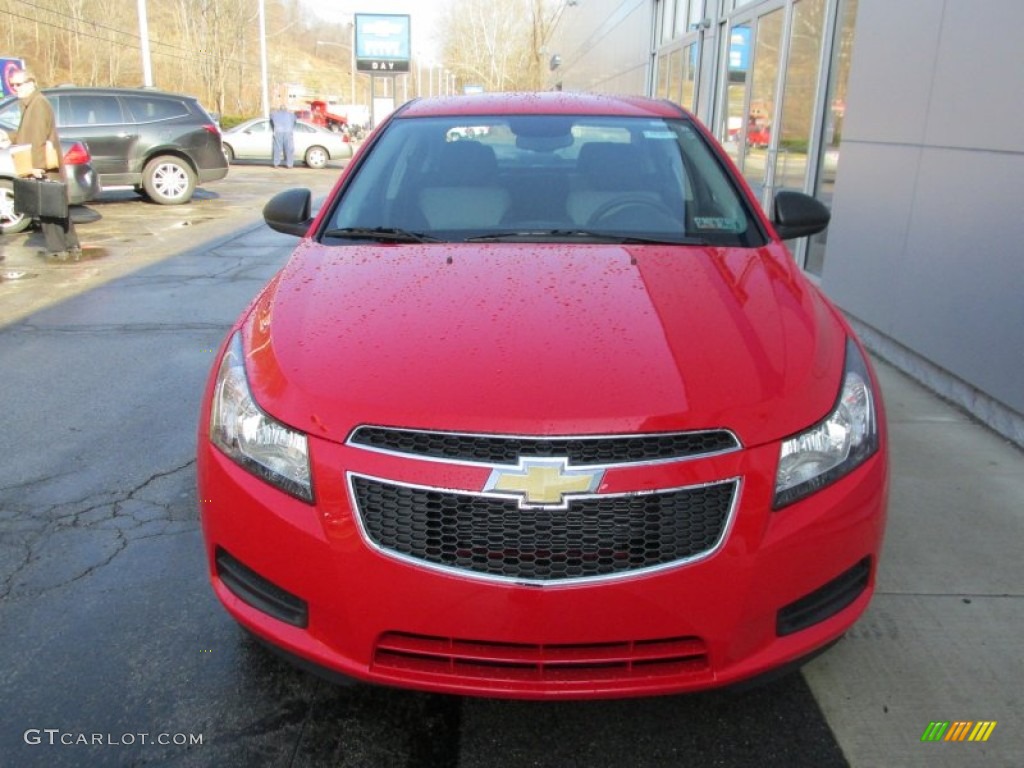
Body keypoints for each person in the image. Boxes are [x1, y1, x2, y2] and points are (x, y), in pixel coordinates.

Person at [0, 68, 81, 259]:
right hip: (43, 165)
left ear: (31, 83)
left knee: (48, 208)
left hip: (42, 165)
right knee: (57, 206)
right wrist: (9, 136)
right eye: (12, 85)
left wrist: (36, 167)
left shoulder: (37, 104)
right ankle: (71, 245)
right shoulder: (31, 104)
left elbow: (37, 139)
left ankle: (57, 250)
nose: (15, 88)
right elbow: (27, 134)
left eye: (18, 84)